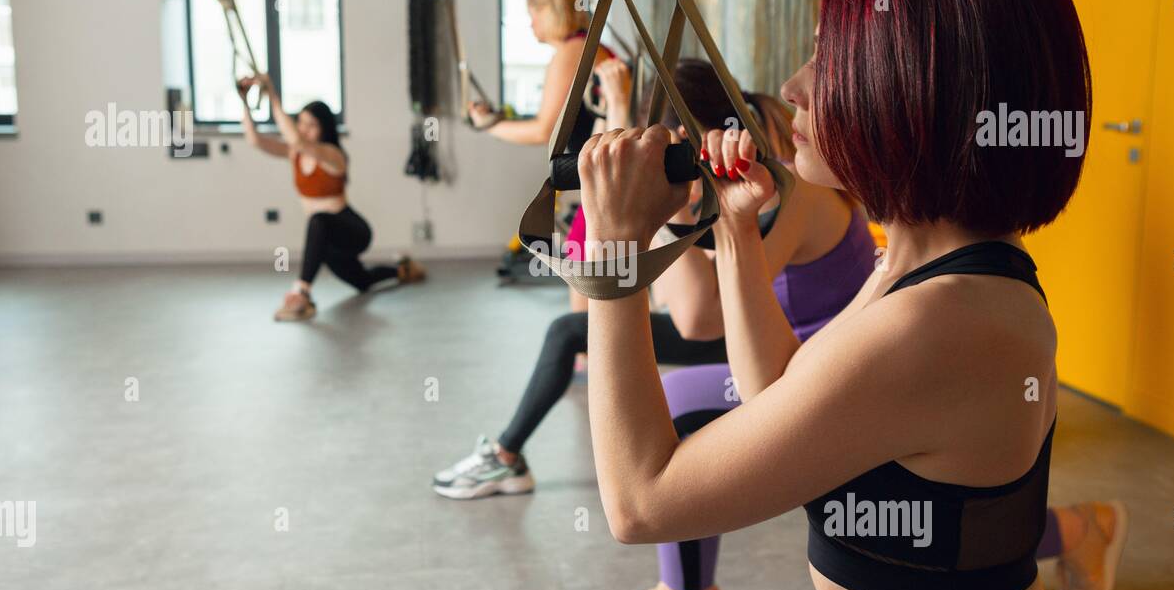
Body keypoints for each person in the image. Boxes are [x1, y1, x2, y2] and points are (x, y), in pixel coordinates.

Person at [578, 0, 1150, 590]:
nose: (794, 87)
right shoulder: (916, 264)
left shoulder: (939, 320)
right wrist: (739, 228)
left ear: (917, 88)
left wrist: (612, 256)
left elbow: (642, 504)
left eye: (830, 57)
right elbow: (778, 395)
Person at [432, 60, 872, 500]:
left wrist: (667, 204)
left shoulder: (787, 189)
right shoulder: (746, 181)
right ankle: (507, 456)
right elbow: (664, 297)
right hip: (766, 342)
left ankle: (510, 461)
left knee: (677, 401)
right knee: (571, 330)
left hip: (802, 360)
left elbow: (697, 321)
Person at [474, 0, 616, 310]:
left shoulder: (572, 51)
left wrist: (487, 127)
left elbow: (543, 131)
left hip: (604, 181)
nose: (530, 24)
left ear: (549, 11)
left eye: (532, 15)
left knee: (584, 275)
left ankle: (585, 357)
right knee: (591, 272)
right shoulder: (587, 45)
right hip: (602, 178)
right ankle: (587, 356)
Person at [238, 74, 425, 322]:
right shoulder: (294, 152)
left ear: (324, 128)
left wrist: (272, 93)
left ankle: (302, 292)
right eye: (301, 122)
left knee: (319, 220)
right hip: (327, 242)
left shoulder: (332, 155)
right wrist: (244, 101)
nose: (303, 129)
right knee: (363, 282)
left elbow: (296, 139)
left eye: (311, 125)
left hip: (353, 231)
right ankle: (403, 269)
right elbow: (254, 140)